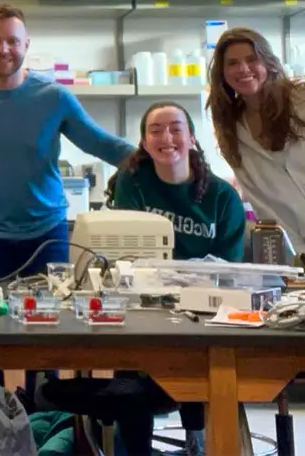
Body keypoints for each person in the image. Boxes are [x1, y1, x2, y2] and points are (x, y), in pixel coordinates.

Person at [0, 3, 136, 404]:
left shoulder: (53, 97)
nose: (4, 48)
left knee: (44, 339)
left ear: (27, 45)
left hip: (48, 236)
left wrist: (161, 160)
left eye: (12, 40)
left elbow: (100, 143)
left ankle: (41, 421)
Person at [94, 102, 245, 456]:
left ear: (192, 137)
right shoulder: (131, 183)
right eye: (156, 130)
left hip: (201, 312)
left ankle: (199, 441)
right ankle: (133, 449)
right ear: (144, 143)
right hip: (142, 305)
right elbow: (125, 253)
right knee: (130, 369)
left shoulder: (222, 197)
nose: (167, 138)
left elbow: (228, 270)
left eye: (176, 128)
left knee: (198, 355)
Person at [207, 27, 305, 256]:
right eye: (232, 63)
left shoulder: (300, 99)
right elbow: (263, 201)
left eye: (252, 59)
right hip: (297, 249)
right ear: (222, 72)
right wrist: (296, 258)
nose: (243, 69)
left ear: (267, 62)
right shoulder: (231, 127)